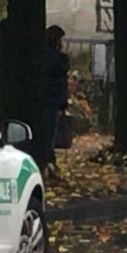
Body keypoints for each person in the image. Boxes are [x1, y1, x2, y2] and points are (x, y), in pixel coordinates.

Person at [43, 25, 70, 172]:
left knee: (50, 132)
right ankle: (48, 160)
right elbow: (61, 69)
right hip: (52, 100)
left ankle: (49, 158)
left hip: (52, 100)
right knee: (49, 133)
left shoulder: (46, 56)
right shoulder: (55, 58)